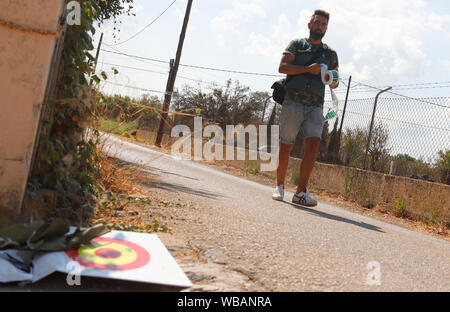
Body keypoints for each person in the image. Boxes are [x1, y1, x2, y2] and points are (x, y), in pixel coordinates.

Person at [272, 9, 339, 206]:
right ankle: (279, 187)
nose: (320, 26)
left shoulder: (330, 53)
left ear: (326, 28)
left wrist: (331, 78)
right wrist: (307, 70)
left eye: (323, 24)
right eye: (317, 23)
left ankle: (300, 192)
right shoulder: (297, 44)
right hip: (293, 101)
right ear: (309, 25)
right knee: (286, 145)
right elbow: (282, 67)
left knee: (313, 145)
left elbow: (335, 81)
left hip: (316, 105)